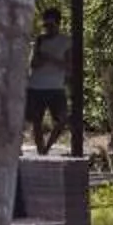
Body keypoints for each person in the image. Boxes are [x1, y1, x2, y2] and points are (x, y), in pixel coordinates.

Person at [26, 8, 74, 153]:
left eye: (51, 25)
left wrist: (51, 59)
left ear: (58, 24)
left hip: (56, 87)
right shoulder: (40, 40)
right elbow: (33, 63)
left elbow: (70, 66)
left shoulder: (66, 42)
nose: (48, 29)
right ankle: (41, 151)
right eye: (45, 25)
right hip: (36, 86)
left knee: (62, 119)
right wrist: (40, 59)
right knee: (36, 121)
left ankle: (47, 147)